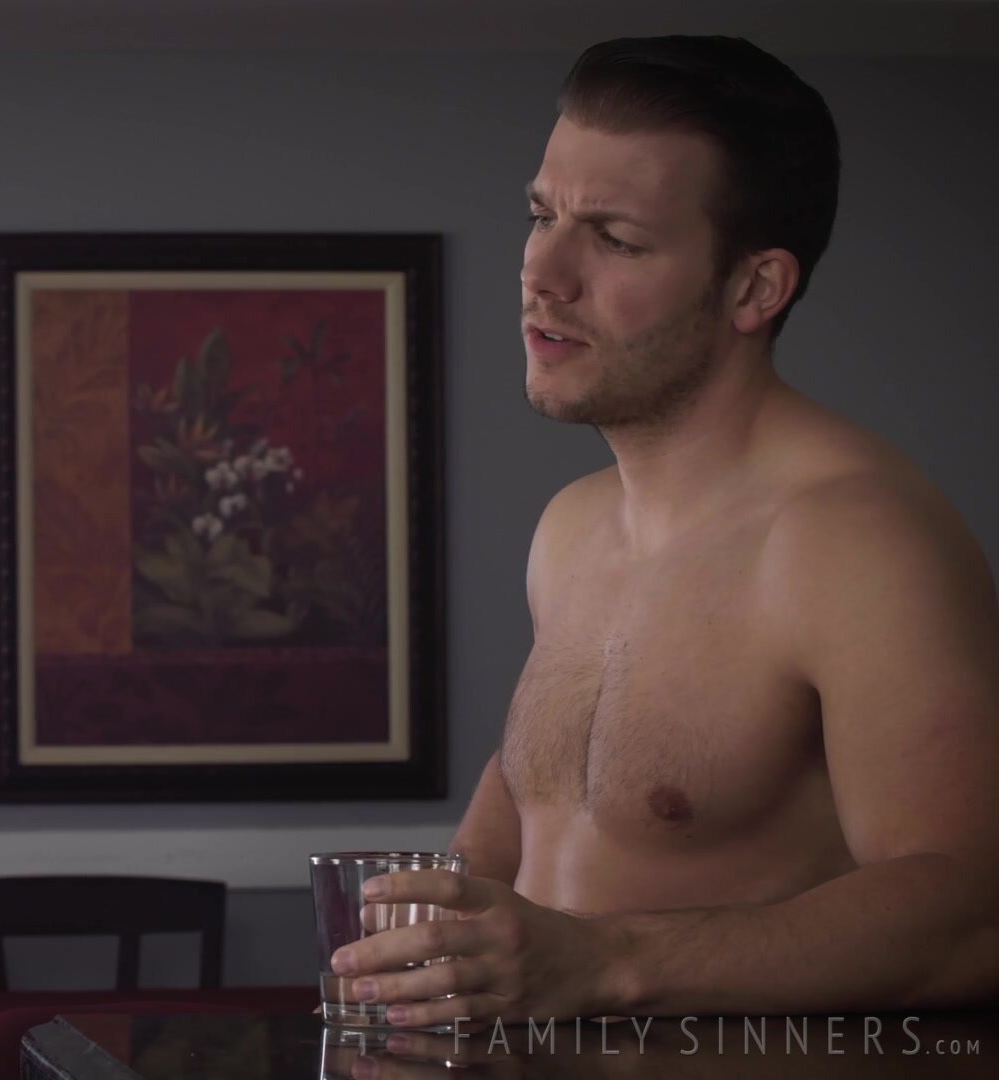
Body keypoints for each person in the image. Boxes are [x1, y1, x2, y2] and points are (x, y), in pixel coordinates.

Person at [333, 35, 999, 1030]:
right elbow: (522, 828)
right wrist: (417, 949)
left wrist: (602, 963)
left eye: (616, 239)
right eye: (542, 216)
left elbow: (970, 919)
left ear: (754, 289)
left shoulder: (854, 540)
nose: (543, 272)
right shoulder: (573, 527)